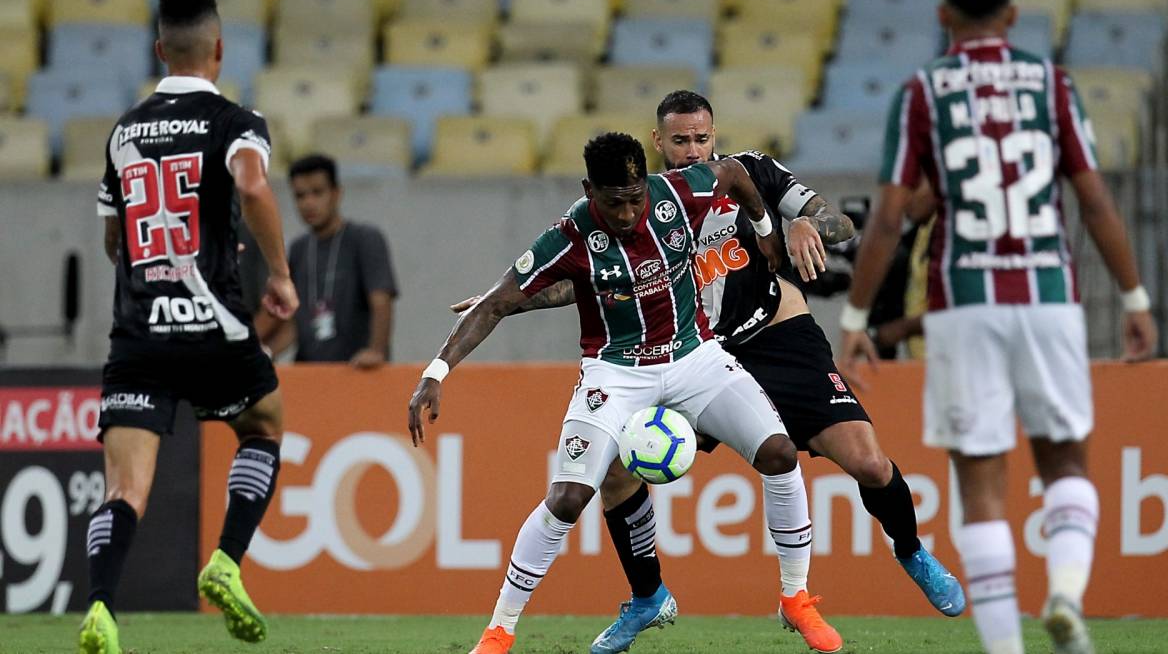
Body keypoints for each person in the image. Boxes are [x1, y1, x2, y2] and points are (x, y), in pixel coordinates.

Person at [453, 91, 966, 654]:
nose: (692, 150)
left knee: (868, 461)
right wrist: (502, 301)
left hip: (776, 338)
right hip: (692, 352)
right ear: (658, 143)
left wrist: (805, 225)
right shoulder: (648, 202)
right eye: (680, 141)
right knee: (616, 476)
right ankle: (648, 596)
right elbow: (588, 280)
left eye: (701, 138)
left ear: (714, 135)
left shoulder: (749, 173)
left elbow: (836, 220)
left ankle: (911, 549)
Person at [409, 132, 838, 654]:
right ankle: (499, 631)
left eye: (636, 197)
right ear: (590, 190)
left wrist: (766, 228)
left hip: (693, 357)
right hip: (615, 373)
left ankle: (795, 598)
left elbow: (734, 174)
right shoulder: (569, 235)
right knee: (568, 497)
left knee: (779, 451)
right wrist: (436, 371)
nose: (629, 211)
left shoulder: (677, 190)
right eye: (615, 201)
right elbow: (496, 302)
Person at [836, 0, 1158, 653]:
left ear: (943, 15)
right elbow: (1094, 203)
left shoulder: (923, 93)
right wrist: (1134, 299)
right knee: (1065, 461)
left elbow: (891, 217)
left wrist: (858, 317)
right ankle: (1065, 594)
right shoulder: (1053, 84)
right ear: (1013, 15)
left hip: (963, 303)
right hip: (1048, 294)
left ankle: (1006, 648)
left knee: (980, 482)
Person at [80, 0, 298, 652]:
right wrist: (281, 275)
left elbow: (116, 241)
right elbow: (255, 186)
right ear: (219, 48)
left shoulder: (123, 131)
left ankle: (99, 608)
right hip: (213, 325)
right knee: (261, 427)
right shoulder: (236, 120)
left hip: (138, 332)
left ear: (158, 50)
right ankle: (227, 559)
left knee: (125, 488)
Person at [256, 154, 398, 368]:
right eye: (300, 196)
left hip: (358, 371)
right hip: (310, 372)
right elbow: (297, 322)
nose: (308, 203)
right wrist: (267, 353)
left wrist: (376, 350)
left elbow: (381, 301)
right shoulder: (299, 249)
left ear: (336, 193)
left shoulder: (365, 238)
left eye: (317, 192)